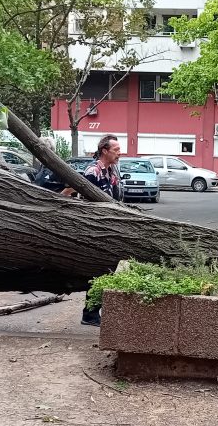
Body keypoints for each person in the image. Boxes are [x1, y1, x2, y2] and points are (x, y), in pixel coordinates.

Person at [80, 135, 122, 326]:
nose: (119, 153)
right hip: (95, 230)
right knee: (98, 271)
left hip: (109, 228)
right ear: (104, 151)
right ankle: (90, 314)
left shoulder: (111, 170)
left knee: (107, 271)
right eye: (116, 150)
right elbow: (87, 202)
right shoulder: (93, 171)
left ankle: (94, 312)